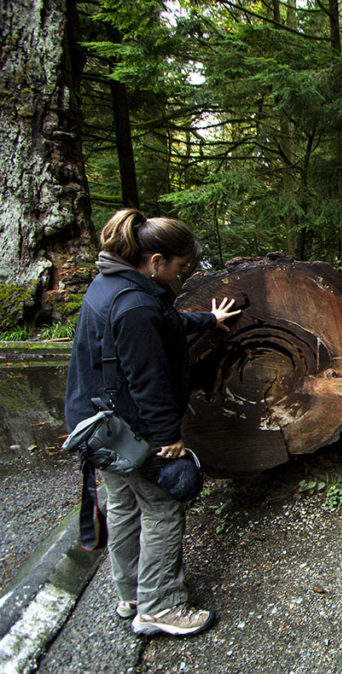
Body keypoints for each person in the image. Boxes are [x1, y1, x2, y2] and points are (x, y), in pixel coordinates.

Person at [64, 208, 241, 637]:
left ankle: (130, 595)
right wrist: (168, 437)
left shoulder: (114, 284)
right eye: (180, 267)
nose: (182, 276)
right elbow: (148, 379)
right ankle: (160, 607)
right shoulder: (136, 304)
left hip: (98, 424)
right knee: (163, 507)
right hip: (130, 429)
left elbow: (165, 324)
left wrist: (209, 321)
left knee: (123, 505)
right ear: (156, 260)